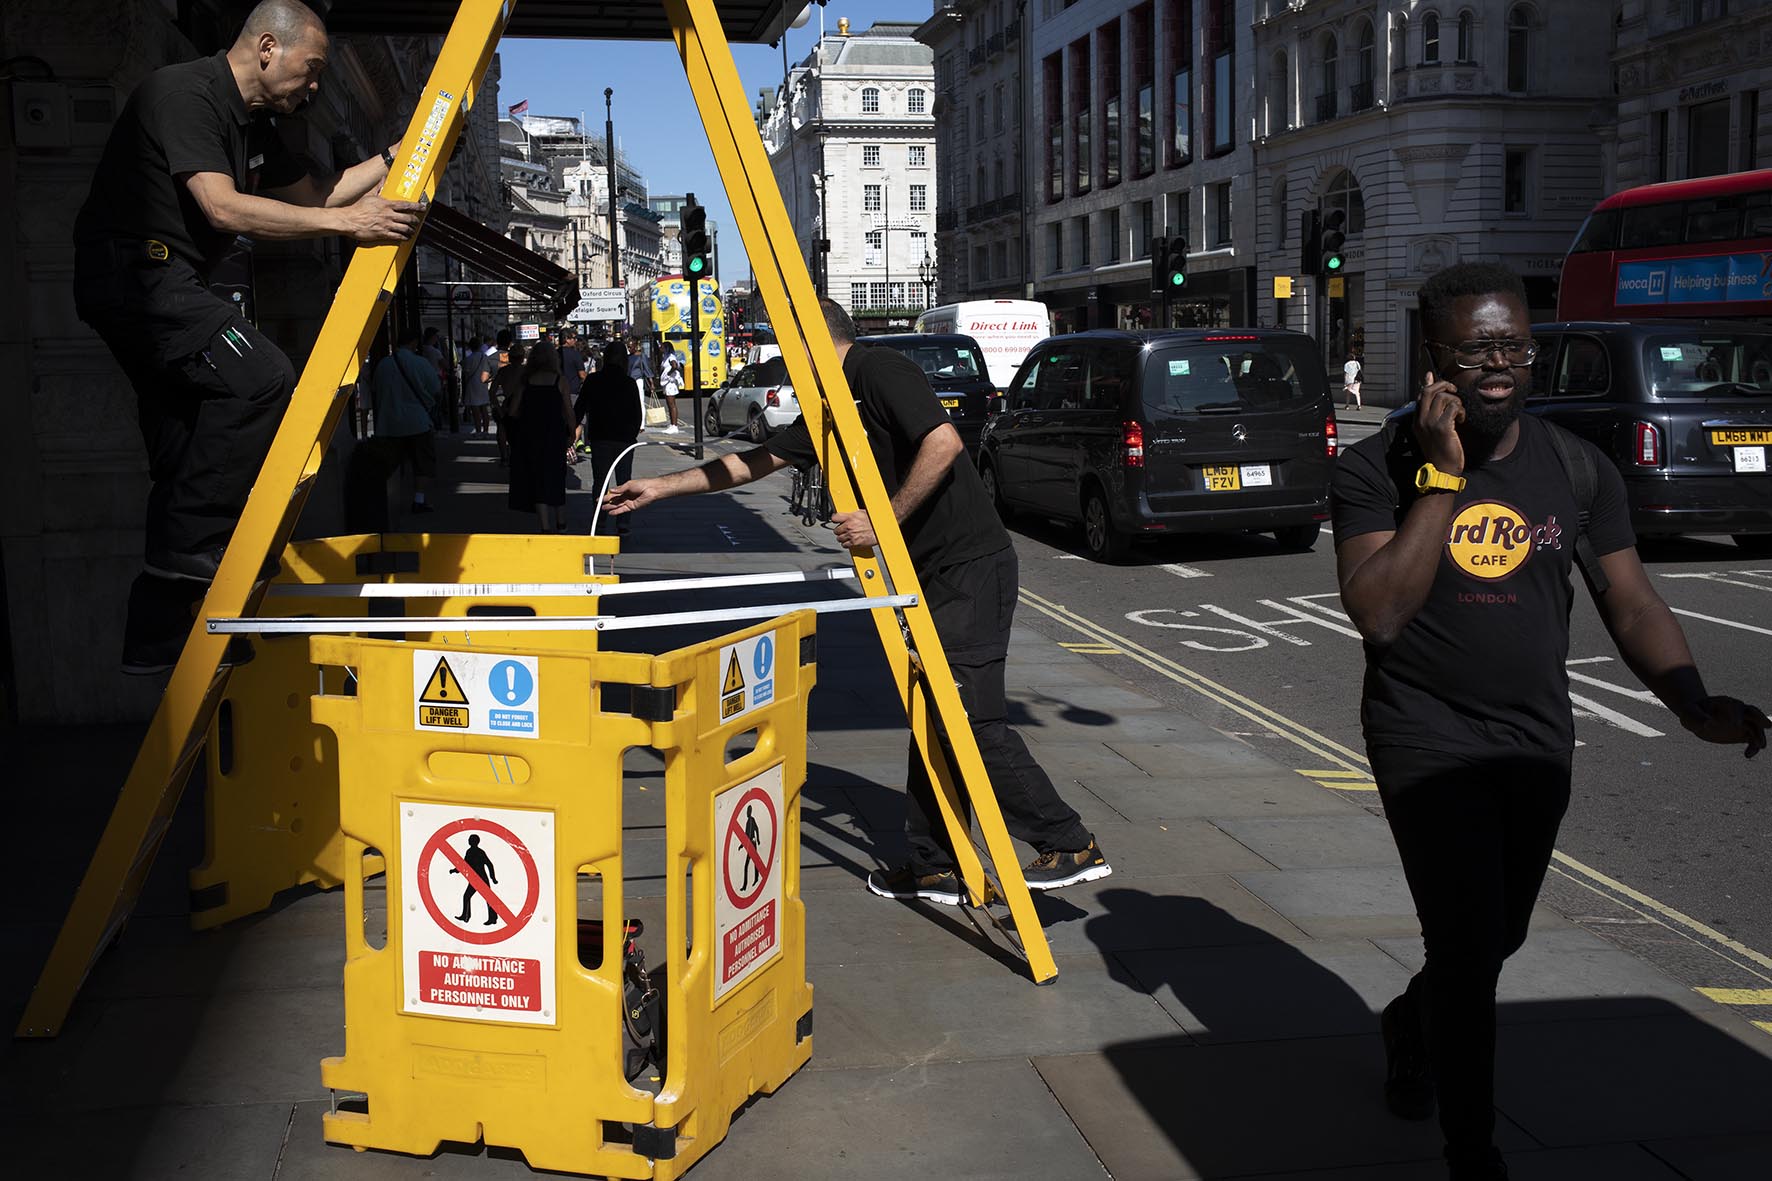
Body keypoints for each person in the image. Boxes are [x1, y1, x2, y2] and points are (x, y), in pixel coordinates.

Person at [1330, 262, 1767, 1181]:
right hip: (1423, 737)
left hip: (1535, 739)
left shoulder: (1575, 466)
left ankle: (1414, 1017)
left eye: (1516, 346)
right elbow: (1378, 610)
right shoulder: (1373, 468)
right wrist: (1442, 480)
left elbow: (1633, 599)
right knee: (1469, 948)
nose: (1500, 366)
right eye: (1478, 348)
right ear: (1433, 356)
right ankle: (1472, 1148)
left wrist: (1690, 698)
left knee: (1497, 936)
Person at [604, 298, 1112, 902]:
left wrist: (883, 521)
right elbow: (752, 463)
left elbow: (944, 443)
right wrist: (659, 488)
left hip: (970, 567)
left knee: (968, 717)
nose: (781, 359)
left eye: (789, 344)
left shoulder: (877, 370)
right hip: (926, 574)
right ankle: (935, 865)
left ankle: (1071, 842)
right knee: (931, 714)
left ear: (816, 339)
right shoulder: (828, 407)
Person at [73, 0, 424, 673]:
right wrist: (349, 228)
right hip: (138, 276)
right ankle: (206, 560)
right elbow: (223, 206)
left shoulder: (262, 127)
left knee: (185, 447)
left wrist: (390, 158)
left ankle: (159, 630)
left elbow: (317, 199)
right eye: (311, 68)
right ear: (267, 46)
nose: (316, 85)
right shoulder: (184, 93)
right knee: (261, 376)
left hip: (175, 285)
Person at [369, 326, 441, 516]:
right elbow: (435, 388)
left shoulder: (383, 365)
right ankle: (418, 500)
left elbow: (375, 391)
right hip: (417, 422)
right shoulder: (421, 363)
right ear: (414, 342)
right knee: (422, 463)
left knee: (390, 463)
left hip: (389, 423)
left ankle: (387, 500)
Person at [505, 340, 576, 532]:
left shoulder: (525, 381)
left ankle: (545, 526)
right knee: (557, 477)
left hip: (531, 435)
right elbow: (569, 411)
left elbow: (512, 411)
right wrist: (572, 433)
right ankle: (561, 522)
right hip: (554, 435)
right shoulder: (559, 380)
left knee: (538, 479)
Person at [579, 340, 643, 535]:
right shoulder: (629, 383)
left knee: (601, 482)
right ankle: (623, 523)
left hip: (600, 438)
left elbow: (579, 408)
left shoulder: (593, 381)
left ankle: (600, 520)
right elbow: (637, 414)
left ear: (605, 359)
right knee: (624, 481)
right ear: (624, 360)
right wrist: (631, 436)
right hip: (624, 440)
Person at [626, 337, 656, 423]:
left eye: (630, 347)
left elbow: (647, 370)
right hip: (629, 382)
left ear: (635, 346)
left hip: (638, 381)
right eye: (628, 347)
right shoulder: (628, 357)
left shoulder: (642, 356)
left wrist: (652, 384)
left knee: (640, 402)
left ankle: (641, 424)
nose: (629, 349)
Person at [658, 348, 684, 434]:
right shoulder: (666, 356)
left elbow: (674, 365)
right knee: (669, 404)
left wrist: (669, 373)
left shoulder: (671, 357)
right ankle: (672, 424)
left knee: (672, 404)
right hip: (667, 382)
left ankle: (675, 426)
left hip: (670, 383)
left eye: (662, 347)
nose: (660, 348)